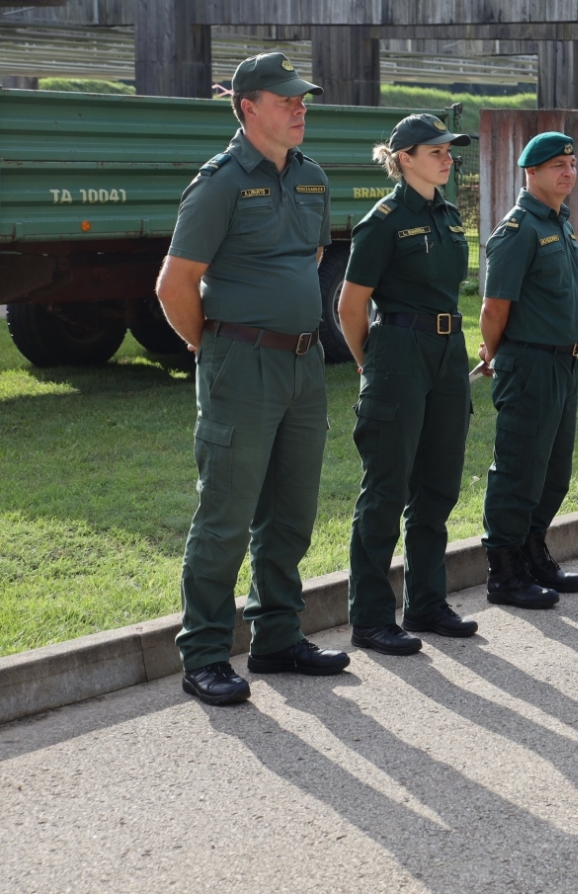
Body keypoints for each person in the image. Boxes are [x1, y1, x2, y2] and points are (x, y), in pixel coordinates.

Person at [155, 52, 349, 706]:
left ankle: (277, 636)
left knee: (291, 511)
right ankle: (206, 653)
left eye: (303, 98)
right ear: (248, 108)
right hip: (241, 362)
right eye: (286, 98)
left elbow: (313, 255)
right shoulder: (219, 183)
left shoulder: (312, 177)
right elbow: (174, 284)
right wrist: (210, 345)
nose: (300, 107)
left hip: (303, 361)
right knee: (226, 515)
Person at [337, 114, 480, 656]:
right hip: (398, 350)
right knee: (386, 489)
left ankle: (426, 602)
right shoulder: (385, 220)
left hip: (447, 350)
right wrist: (369, 363)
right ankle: (371, 618)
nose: (448, 158)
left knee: (437, 485)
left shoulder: (448, 214)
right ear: (404, 158)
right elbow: (350, 305)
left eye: (450, 150)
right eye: (436, 150)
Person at [476, 132, 578, 611]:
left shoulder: (559, 222)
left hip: (564, 362)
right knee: (520, 468)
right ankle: (503, 572)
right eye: (556, 166)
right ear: (531, 173)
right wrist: (495, 355)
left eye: (571, 162)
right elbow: (494, 307)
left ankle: (533, 552)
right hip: (529, 361)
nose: (568, 173)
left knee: (554, 470)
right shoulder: (519, 229)